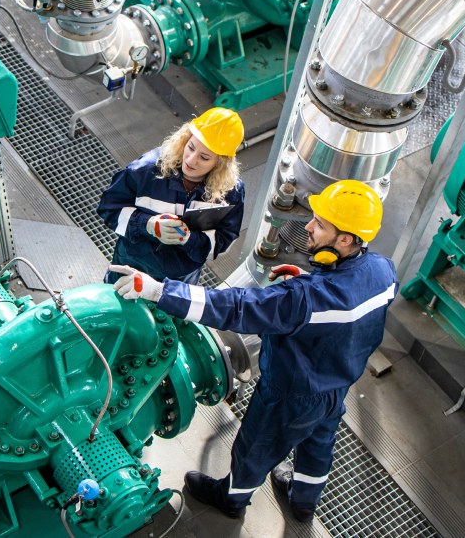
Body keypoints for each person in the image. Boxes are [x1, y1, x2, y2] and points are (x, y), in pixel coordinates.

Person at [110, 180, 397, 522]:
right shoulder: (382, 270)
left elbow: (238, 307)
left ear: (345, 239)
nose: (308, 227)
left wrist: (160, 291)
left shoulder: (306, 300)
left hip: (290, 393)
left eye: (320, 224)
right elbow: (345, 306)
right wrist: (306, 279)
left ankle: (232, 498)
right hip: (336, 385)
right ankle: (304, 502)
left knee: (256, 448)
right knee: (319, 445)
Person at [98, 108, 245, 285]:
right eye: (190, 147)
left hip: (179, 284)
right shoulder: (146, 171)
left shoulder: (229, 191)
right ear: (185, 139)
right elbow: (109, 208)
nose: (190, 160)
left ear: (220, 164)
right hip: (131, 269)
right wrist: (148, 225)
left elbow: (224, 238)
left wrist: (189, 239)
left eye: (204, 158)